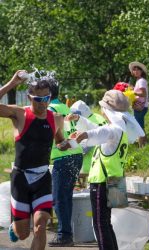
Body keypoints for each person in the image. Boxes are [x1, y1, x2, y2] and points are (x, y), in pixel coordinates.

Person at [59, 90, 144, 250]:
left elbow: (97, 132)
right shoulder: (121, 130)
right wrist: (80, 119)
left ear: (108, 110)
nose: (102, 111)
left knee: (100, 224)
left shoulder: (112, 130)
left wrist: (78, 138)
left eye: (103, 108)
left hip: (102, 182)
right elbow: (98, 129)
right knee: (106, 223)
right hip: (116, 180)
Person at [0, 70, 68, 250]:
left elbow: (59, 140)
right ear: (30, 97)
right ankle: (15, 228)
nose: (44, 103)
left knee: (40, 225)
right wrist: (12, 83)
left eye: (47, 98)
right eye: (39, 99)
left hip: (42, 178)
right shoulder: (19, 114)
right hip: (20, 179)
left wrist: (65, 144)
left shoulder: (56, 118)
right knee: (23, 233)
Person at [47, 82, 83, 247]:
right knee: (65, 196)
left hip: (64, 156)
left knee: (59, 198)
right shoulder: (64, 107)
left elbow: (52, 134)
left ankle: (64, 235)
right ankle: (66, 232)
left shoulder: (50, 111)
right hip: (76, 154)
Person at [70, 100, 106, 174]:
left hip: (90, 164)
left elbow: (84, 148)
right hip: (104, 160)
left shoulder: (86, 123)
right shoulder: (98, 117)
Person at [129, 61, 148, 147]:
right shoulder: (139, 81)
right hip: (140, 106)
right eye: (134, 70)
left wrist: (133, 93)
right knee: (141, 124)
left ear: (141, 71)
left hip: (141, 106)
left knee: (139, 126)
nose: (136, 71)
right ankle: (145, 143)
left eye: (138, 70)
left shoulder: (141, 81)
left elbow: (143, 94)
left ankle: (141, 146)